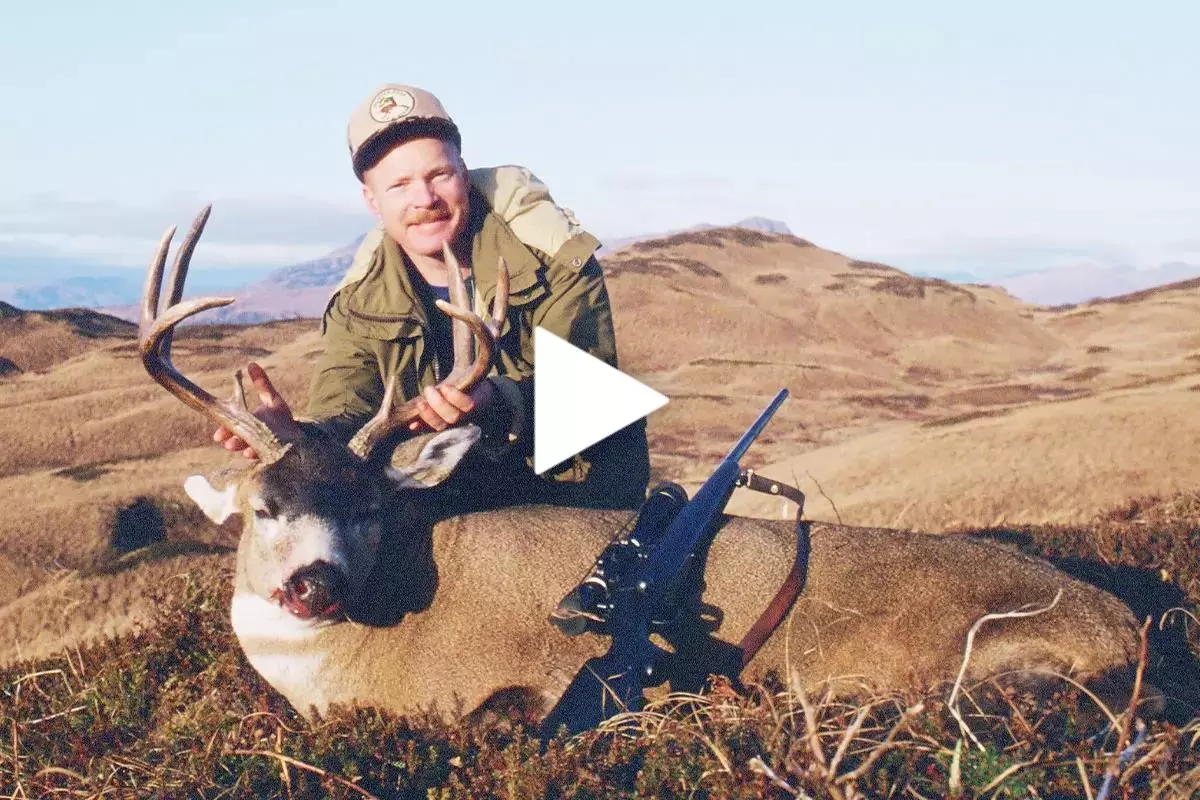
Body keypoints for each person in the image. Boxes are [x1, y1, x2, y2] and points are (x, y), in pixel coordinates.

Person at [214, 83, 650, 510]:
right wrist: (297, 436)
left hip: (578, 500)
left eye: (439, 175)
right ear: (372, 201)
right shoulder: (358, 302)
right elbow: (345, 415)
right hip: (447, 507)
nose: (424, 199)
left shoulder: (551, 258)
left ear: (463, 172)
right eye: (399, 185)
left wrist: (496, 403)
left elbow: (590, 395)